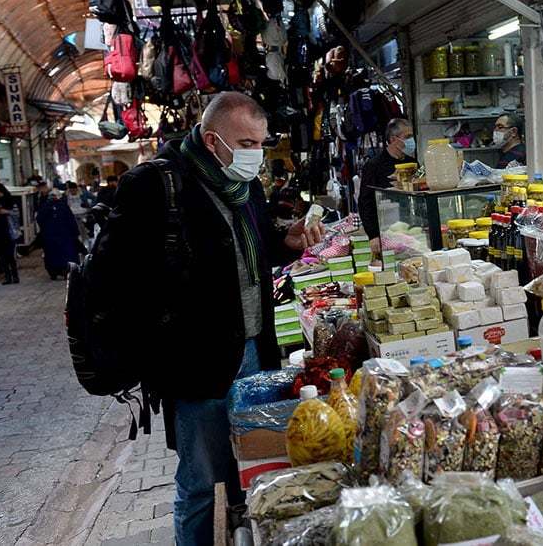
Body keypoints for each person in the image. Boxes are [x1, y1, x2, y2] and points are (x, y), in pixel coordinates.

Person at [100, 92, 322, 545]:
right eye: (245, 142)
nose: (255, 154)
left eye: (260, 143)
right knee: (202, 480)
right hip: (195, 364)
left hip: (253, 352)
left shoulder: (245, 186)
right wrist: (163, 345)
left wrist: (287, 244)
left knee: (251, 466)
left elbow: (250, 254)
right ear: (210, 138)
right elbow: (119, 279)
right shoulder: (155, 185)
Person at [357, 118, 415, 251]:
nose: (411, 141)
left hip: (411, 230)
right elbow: (365, 202)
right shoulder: (373, 166)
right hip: (386, 232)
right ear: (393, 139)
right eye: (407, 137)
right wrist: (373, 235)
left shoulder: (413, 163)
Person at [36, 186, 80, 280]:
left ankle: (55, 272)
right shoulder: (62, 207)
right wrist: (75, 233)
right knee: (66, 254)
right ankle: (64, 271)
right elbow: (71, 220)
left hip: (52, 236)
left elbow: (39, 220)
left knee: (53, 255)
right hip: (63, 236)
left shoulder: (45, 207)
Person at [0, 184, 18, 285]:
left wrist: (6, 212)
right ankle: (8, 277)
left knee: (10, 255)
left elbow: (16, 214)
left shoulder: (10, 201)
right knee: (2, 256)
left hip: (9, 232)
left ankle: (15, 276)